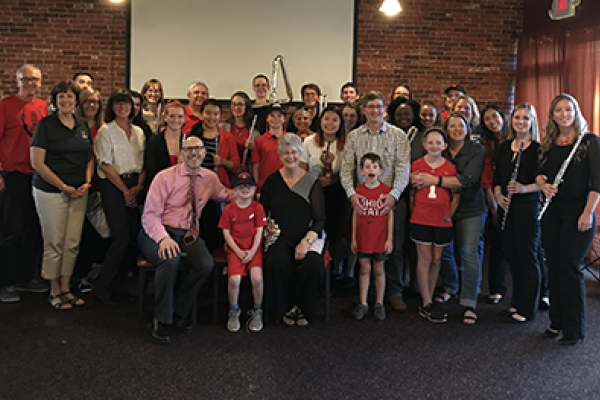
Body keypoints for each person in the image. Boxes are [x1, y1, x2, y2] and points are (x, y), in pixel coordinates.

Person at [139, 136, 236, 344]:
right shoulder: (164, 177)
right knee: (170, 259)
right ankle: (162, 319)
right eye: (189, 149)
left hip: (187, 233)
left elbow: (224, 194)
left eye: (198, 149)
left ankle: (178, 311)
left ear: (204, 153)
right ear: (182, 153)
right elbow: (149, 216)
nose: (194, 153)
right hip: (158, 230)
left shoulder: (209, 178)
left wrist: (248, 194)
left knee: (206, 264)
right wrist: (163, 238)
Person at [536, 94, 600, 345]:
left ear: (576, 112)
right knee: (554, 267)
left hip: (579, 213)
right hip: (553, 213)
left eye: (568, 109)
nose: (564, 114)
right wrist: (543, 184)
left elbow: (597, 181)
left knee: (570, 268)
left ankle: (574, 328)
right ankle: (556, 322)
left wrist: (587, 212)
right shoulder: (549, 143)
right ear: (552, 115)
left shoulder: (589, 142)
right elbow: (538, 172)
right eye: (559, 110)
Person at [411, 112, 485, 324]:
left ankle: (469, 303)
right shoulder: (441, 152)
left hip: (469, 209)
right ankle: (448, 288)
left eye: (460, 126)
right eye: (452, 126)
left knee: (469, 253)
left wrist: (432, 179)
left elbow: (467, 180)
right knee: (441, 256)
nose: (456, 130)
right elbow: (414, 183)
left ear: (467, 128)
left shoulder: (475, 150)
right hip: (436, 214)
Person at [341, 91, 411, 312]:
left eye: (379, 107)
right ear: (363, 110)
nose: (375, 111)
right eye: (370, 107)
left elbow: (403, 168)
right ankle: (366, 296)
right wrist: (352, 195)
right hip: (362, 200)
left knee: (393, 247)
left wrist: (393, 195)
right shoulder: (354, 136)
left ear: (385, 110)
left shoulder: (398, 135)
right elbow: (346, 169)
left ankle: (394, 292)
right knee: (363, 248)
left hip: (391, 199)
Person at [30, 80, 94, 309]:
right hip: (50, 192)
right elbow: (37, 163)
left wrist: (87, 181)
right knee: (54, 242)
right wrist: (63, 186)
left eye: (70, 96)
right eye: (61, 97)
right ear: (55, 101)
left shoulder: (83, 124)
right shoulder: (45, 125)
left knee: (72, 243)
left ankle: (66, 288)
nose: (66, 101)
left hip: (78, 191)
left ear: (76, 100)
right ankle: (54, 290)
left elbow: (89, 157)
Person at [260, 133, 326, 326]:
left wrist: (306, 242)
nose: (290, 157)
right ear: (280, 155)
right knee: (276, 261)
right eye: (286, 153)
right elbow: (262, 212)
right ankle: (286, 307)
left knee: (312, 264)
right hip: (280, 235)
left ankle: (304, 308)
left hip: (308, 234)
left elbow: (320, 219)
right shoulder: (272, 181)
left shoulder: (312, 181)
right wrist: (267, 228)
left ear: (300, 154)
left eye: (294, 152)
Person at [92, 89, 146, 306]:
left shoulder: (139, 132)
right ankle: (102, 287)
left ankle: (119, 286)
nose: (123, 108)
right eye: (118, 104)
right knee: (120, 237)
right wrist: (125, 190)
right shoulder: (105, 131)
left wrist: (138, 186)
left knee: (132, 237)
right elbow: (105, 164)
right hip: (114, 185)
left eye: (127, 104)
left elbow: (143, 162)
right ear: (112, 107)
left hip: (136, 184)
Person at [0, 64, 48, 303]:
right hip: (11, 175)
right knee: (10, 230)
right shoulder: (5, 105)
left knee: (31, 228)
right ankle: (5, 282)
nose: (30, 83)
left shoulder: (43, 107)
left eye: (35, 79)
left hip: (37, 175)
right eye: (25, 79)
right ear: (17, 81)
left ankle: (26, 277)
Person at [494, 103, 542, 323]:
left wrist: (524, 188)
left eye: (526, 118)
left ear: (532, 122)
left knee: (527, 258)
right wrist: (497, 194)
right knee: (512, 257)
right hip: (506, 207)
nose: (521, 121)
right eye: (517, 117)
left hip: (527, 206)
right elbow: (497, 179)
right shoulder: (504, 147)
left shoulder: (538, 149)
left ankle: (529, 307)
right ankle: (517, 302)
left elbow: (544, 182)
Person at [410, 129, 459, 323]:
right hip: (421, 218)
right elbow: (412, 194)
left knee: (437, 259)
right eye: (430, 142)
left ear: (444, 146)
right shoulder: (416, 166)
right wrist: (416, 212)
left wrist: (447, 215)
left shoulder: (449, 168)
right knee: (424, 258)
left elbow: (455, 196)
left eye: (438, 143)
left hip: (442, 220)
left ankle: (428, 297)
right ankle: (426, 300)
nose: (434, 146)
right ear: (424, 145)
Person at [301, 105, 347, 279]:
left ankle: (332, 273)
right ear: (320, 121)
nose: (330, 123)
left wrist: (333, 180)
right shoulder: (308, 142)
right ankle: (316, 271)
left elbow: (348, 172)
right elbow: (302, 170)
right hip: (313, 192)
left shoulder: (344, 144)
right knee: (315, 231)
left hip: (336, 193)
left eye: (335, 119)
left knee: (334, 233)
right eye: (326, 119)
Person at [218, 172, 267, 333]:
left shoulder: (258, 208)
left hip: (253, 249)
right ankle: (233, 310)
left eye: (248, 187)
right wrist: (238, 252)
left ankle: (258, 310)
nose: (245, 190)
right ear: (235, 189)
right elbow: (226, 233)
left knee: (256, 278)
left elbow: (260, 231)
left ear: (254, 189)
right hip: (236, 250)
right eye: (241, 187)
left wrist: (252, 251)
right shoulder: (229, 209)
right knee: (234, 280)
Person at [350, 153, 394, 321]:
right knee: (364, 269)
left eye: (374, 167)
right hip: (363, 236)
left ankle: (379, 302)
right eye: (367, 167)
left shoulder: (386, 192)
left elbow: (390, 217)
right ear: (361, 171)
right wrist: (354, 238)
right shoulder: (358, 192)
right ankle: (363, 303)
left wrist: (389, 239)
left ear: (380, 170)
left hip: (380, 237)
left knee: (379, 269)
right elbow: (355, 215)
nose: (371, 170)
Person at [479, 104, 508, 305]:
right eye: (487, 119)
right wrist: (493, 203)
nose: (492, 122)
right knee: (497, 245)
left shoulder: (515, 138)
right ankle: (496, 288)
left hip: (519, 195)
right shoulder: (485, 144)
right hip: (494, 197)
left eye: (495, 117)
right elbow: (487, 177)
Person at [144, 101, 186, 189]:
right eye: (172, 116)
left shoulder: (188, 142)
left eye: (180, 117)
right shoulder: (154, 143)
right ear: (165, 117)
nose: (176, 120)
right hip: (160, 190)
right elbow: (150, 174)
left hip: (183, 190)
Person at [252, 103, 286, 191]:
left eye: (279, 115)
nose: (276, 119)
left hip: (286, 184)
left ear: (284, 119)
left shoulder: (290, 139)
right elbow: (256, 165)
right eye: (272, 116)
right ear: (267, 118)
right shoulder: (259, 140)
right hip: (265, 185)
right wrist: (256, 187)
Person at [220, 91, 255, 171]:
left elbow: (258, 158)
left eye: (240, 104)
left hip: (246, 175)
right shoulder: (222, 127)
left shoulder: (254, 132)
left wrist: (253, 148)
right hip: (226, 172)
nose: (236, 107)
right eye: (234, 104)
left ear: (246, 107)